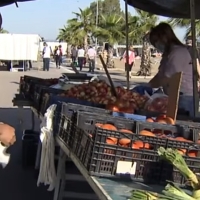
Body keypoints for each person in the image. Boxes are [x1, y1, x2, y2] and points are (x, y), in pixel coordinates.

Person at [148, 22, 194, 116]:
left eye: (157, 41)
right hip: (173, 96)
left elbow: (167, 78)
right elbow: (160, 74)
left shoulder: (178, 53)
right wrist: (147, 85)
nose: (156, 45)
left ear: (165, 37)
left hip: (183, 98)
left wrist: (152, 85)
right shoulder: (168, 54)